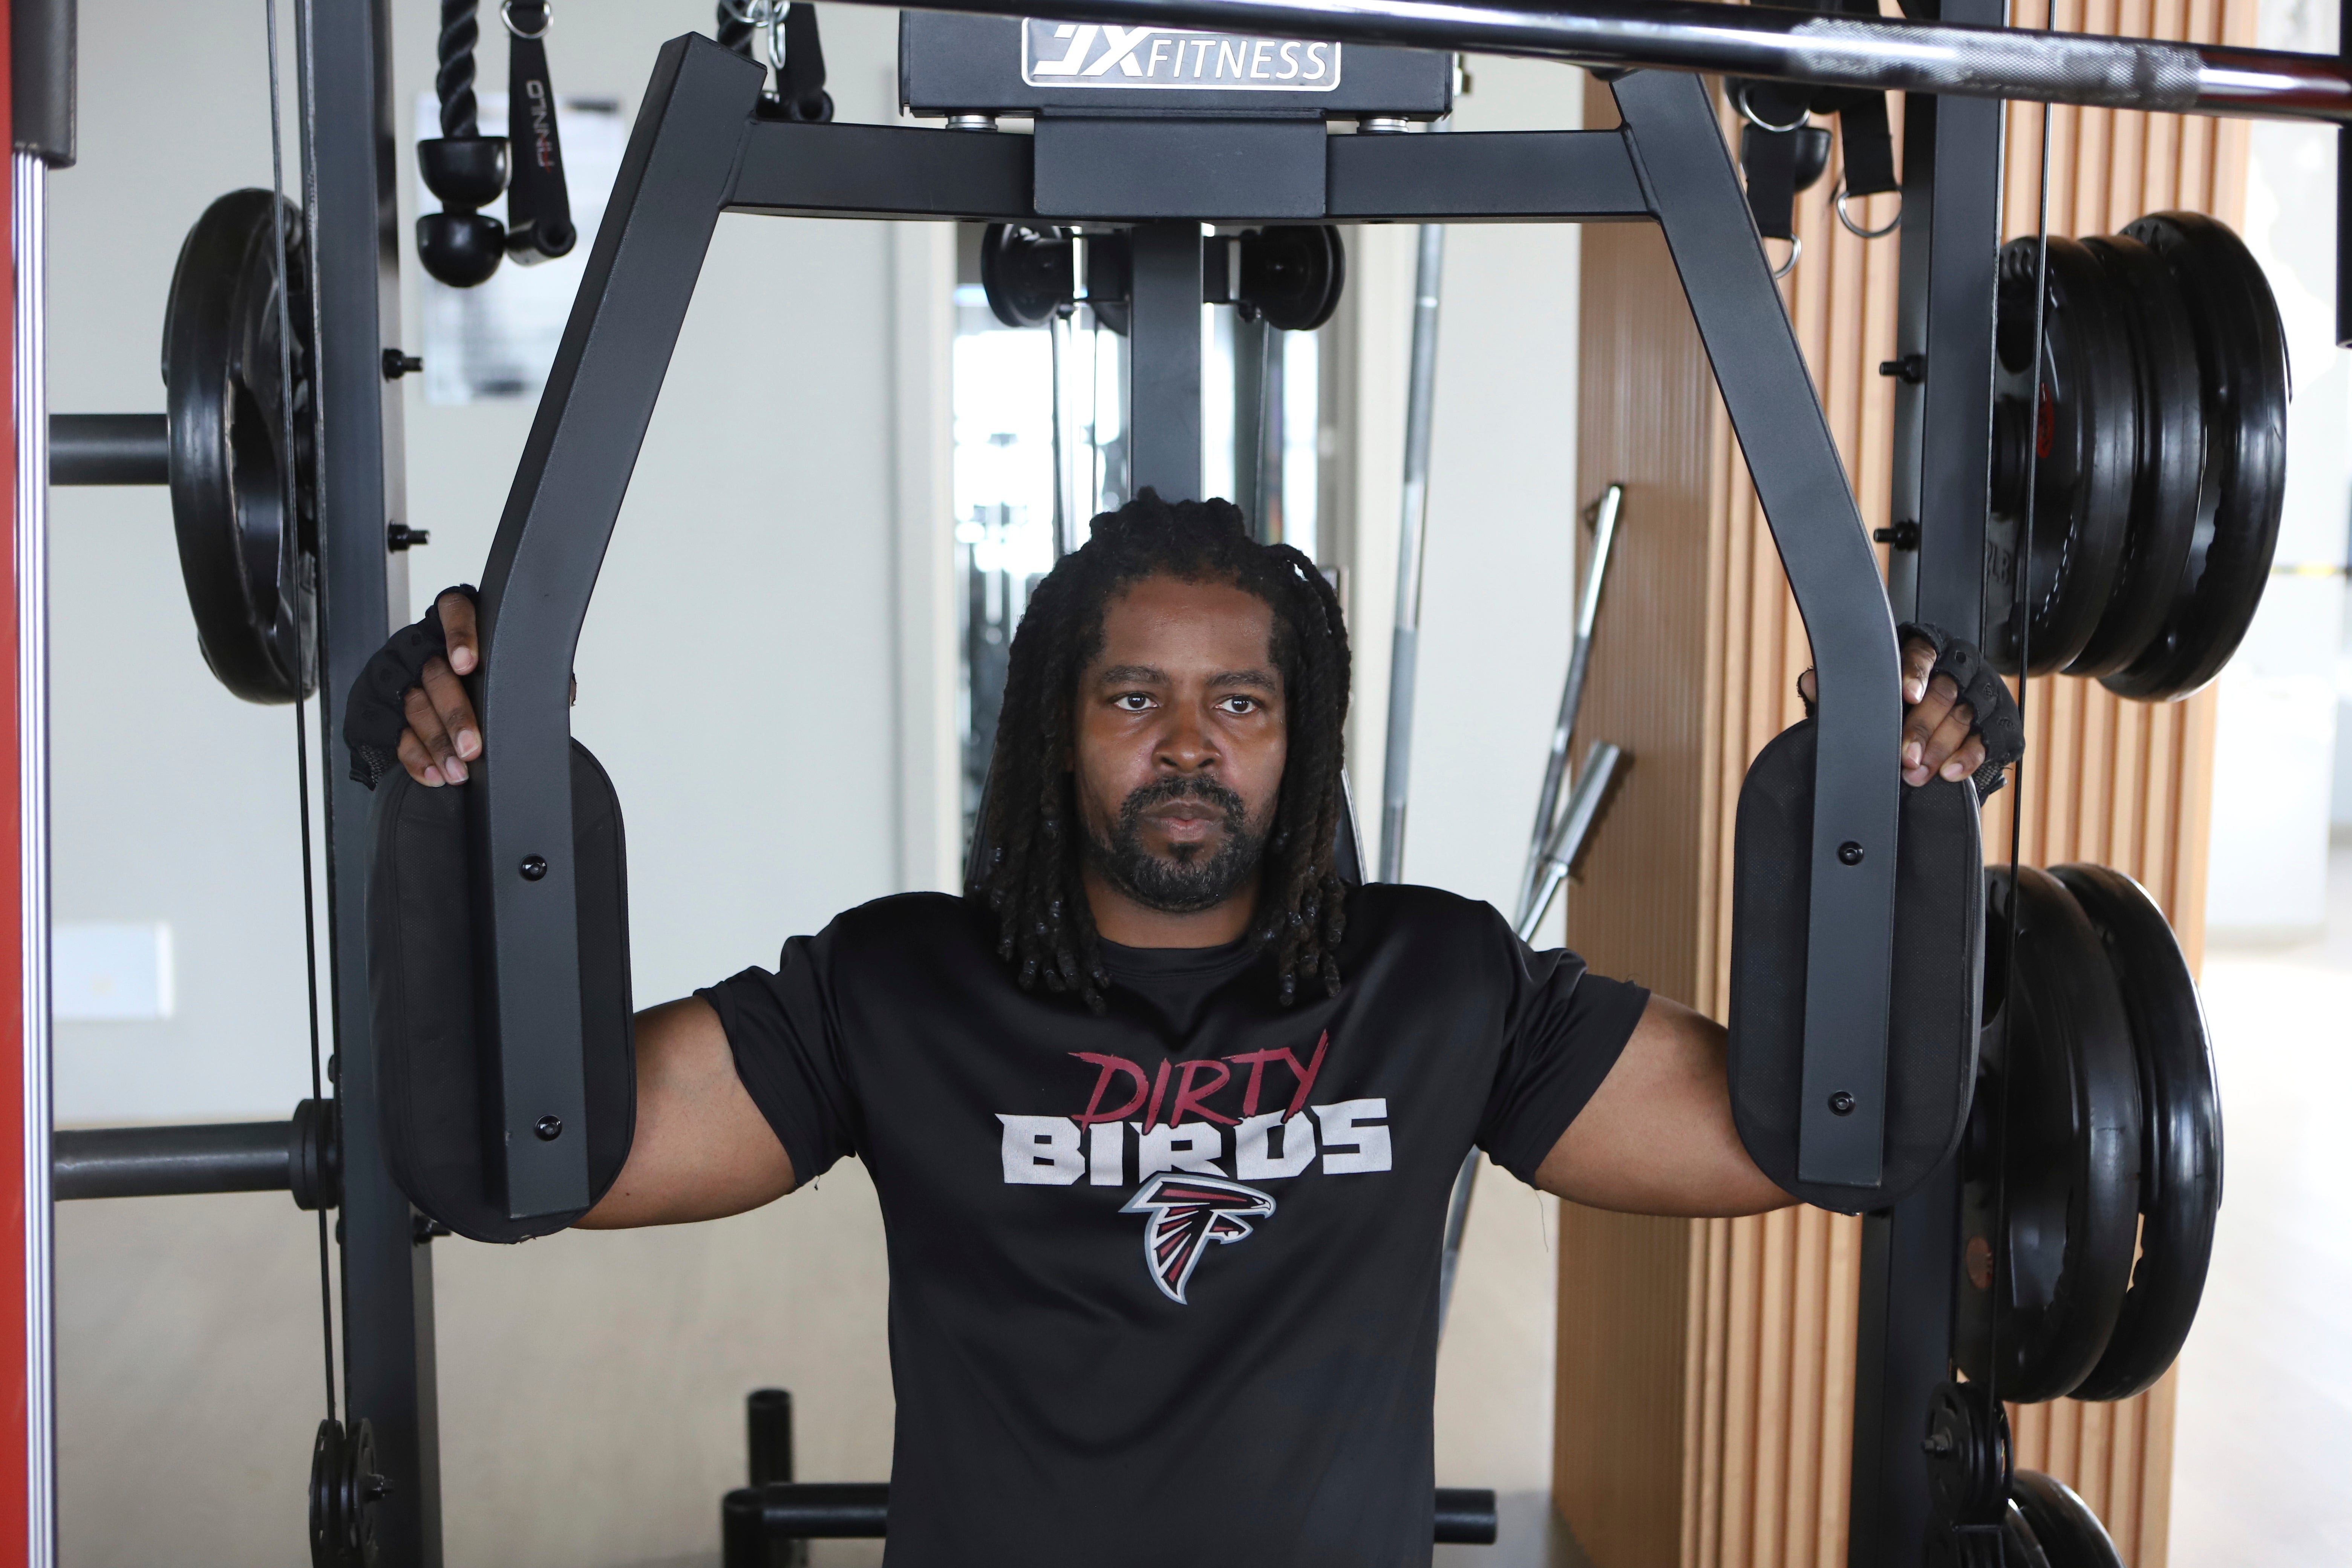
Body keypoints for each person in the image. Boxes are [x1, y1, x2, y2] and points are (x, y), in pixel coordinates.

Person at [364, 492, 1997, 1566]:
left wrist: (1906, 799)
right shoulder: (900, 988)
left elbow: (1804, 1139)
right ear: (1058, 727)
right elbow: (550, 1155)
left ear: (1299, 736)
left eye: (1243, 701)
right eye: (1136, 696)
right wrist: (455, 794)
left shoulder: (1434, 982)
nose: (1193, 744)